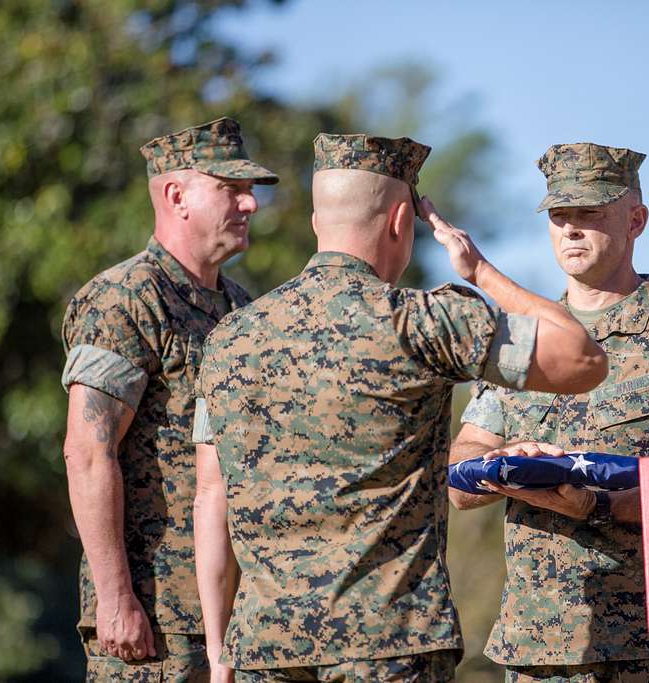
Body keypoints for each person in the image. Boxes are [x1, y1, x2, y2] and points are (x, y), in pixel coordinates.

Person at [192, 133, 608, 682]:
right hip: (388, 646)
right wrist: (479, 271)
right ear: (399, 222)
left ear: (319, 224)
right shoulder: (418, 322)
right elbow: (583, 360)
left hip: (265, 650)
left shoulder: (229, 340)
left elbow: (210, 492)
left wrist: (220, 651)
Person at [450, 142, 649, 683]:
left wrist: (596, 507)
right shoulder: (521, 338)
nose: (571, 230)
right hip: (533, 648)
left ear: (636, 220)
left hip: (645, 651)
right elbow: (460, 480)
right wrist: (503, 466)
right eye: (560, 216)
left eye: (590, 214)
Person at [61, 117, 278, 679]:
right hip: (155, 619)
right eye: (232, 188)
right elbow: (87, 452)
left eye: (250, 190)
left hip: (235, 619)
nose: (250, 204)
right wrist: (114, 598)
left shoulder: (241, 310)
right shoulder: (125, 300)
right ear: (176, 196)